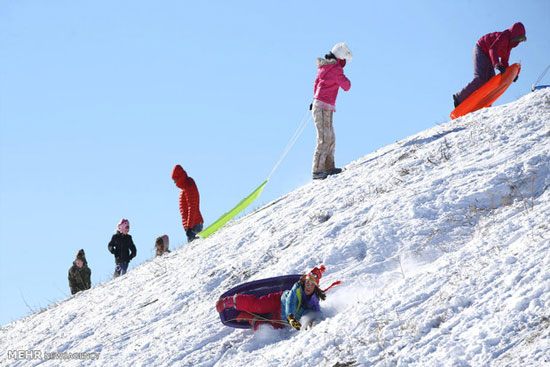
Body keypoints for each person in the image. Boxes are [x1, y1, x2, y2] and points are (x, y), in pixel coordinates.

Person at [216, 265, 339, 330]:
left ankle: (249, 318)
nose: (308, 286)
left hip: (282, 315)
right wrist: (291, 316)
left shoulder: (314, 298)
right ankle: (230, 302)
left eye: (312, 285)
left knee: (272, 327)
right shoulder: (296, 290)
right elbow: (291, 302)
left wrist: (317, 318)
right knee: (258, 306)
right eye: (307, 283)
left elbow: (315, 309)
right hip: (278, 300)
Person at [453, 22, 526, 108]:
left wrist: (512, 75)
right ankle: (458, 98)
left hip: (489, 57)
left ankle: (484, 105)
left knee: (492, 82)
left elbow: (505, 62)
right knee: (481, 78)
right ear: (515, 35)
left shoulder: (508, 46)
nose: (519, 42)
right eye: (519, 38)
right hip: (481, 49)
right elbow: (492, 49)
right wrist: (496, 64)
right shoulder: (504, 37)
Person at [311, 42, 352, 180]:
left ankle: (328, 166)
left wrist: (314, 98)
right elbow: (346, 86)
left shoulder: (325, 67)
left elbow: (317, 83)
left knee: (330, 137)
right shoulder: (335, 69)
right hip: (322, 107)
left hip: (323, 106)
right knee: (324, 138)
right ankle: (317, 170)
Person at [172, 165, 204, 242]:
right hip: (191, 225)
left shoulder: (188, 186)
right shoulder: (184, 188)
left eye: (175, 180)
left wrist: (189, 226)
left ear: (179, 178)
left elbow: (192, 207)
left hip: (194, 225)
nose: (174, 183)